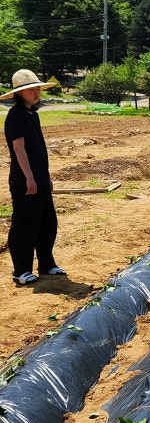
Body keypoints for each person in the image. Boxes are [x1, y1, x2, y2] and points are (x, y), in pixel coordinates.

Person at [3, 69, 66, 285]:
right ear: (19, 93)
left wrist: (45, 177)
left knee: (47, 221)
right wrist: (29, 177)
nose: (35, 92)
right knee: (25, 224)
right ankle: (21, 270)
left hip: (39, 179)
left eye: (37, 88)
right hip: (24, 181)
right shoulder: (15, 116)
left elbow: (39, 149)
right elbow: (19, 150)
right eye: (31, 89)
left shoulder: (33, 114)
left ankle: (46, 263)